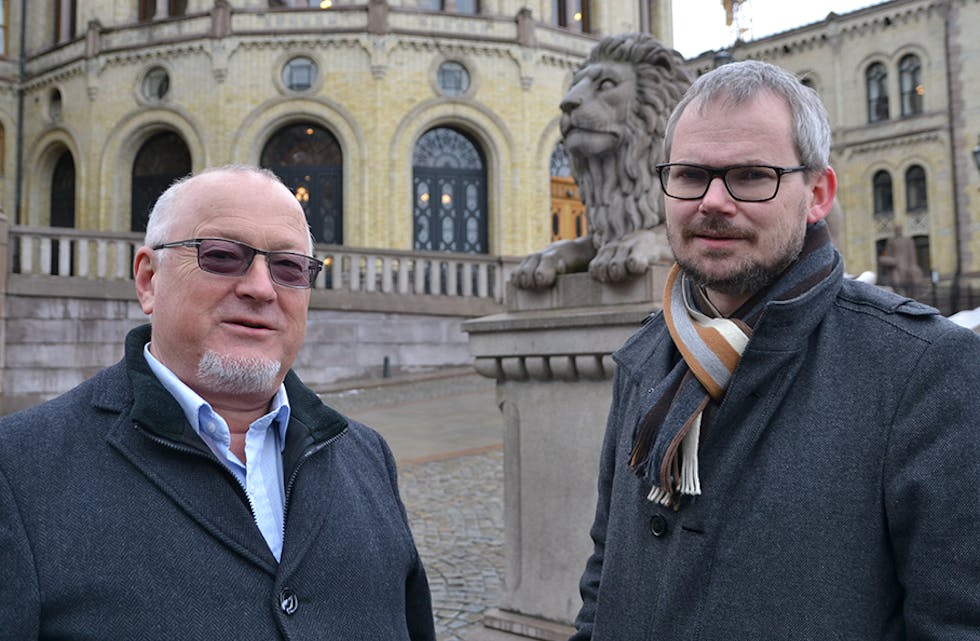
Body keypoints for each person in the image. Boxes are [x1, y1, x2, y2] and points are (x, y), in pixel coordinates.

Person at [570, 60, 980, 640]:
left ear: (817, 194)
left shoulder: (923, 369)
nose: (713, 201)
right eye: (690, 175)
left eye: (751, 175)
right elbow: (605, 575)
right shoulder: (645, 357)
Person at [0, 165, 436, 640]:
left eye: (288, 267)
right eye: (223, 256)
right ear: (149, 280)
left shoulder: (368, 457)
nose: (261, 287)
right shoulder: (19, 469)